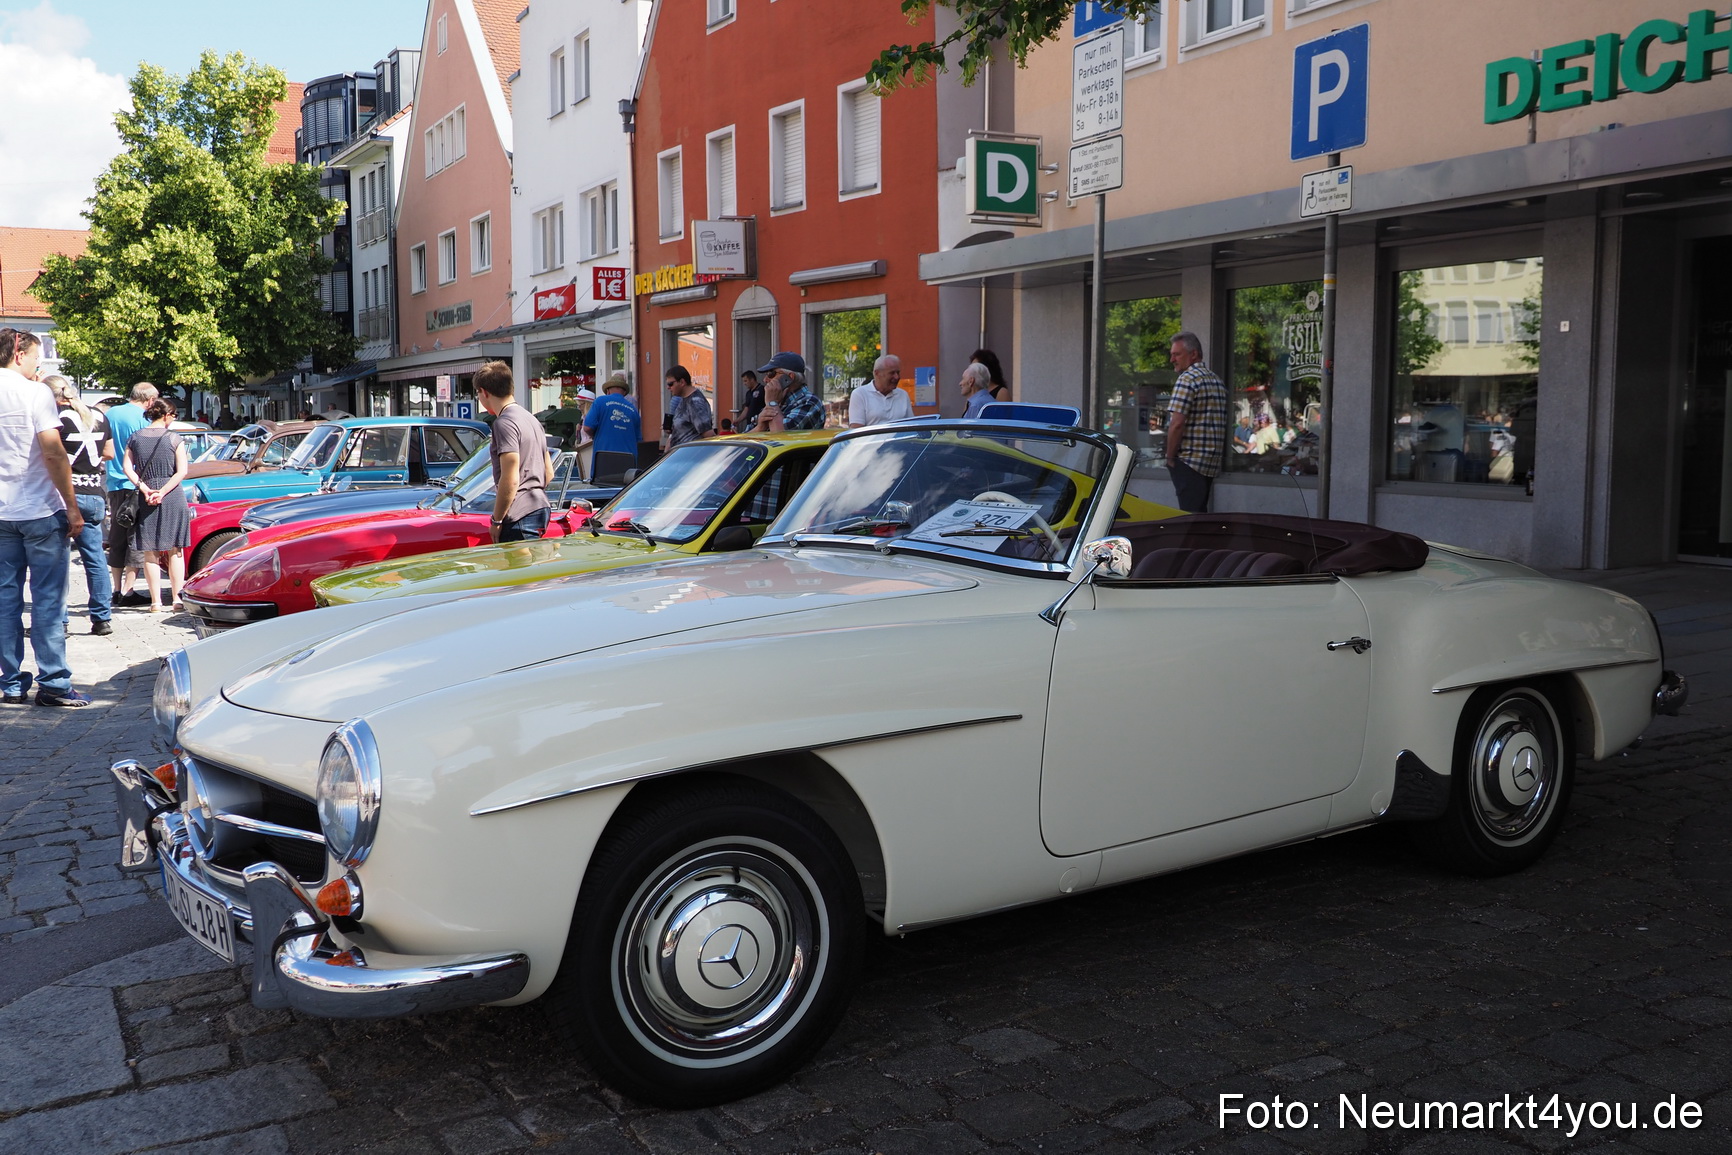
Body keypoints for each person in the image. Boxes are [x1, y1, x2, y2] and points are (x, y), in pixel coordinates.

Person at [0, 328, 89, 707]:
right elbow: (53, 453)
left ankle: (11, 684)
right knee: (49, 599)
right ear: (19, 353)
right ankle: (53, 682)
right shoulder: (35, 392)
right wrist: (71, 505)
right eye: (37, 358)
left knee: (5, 600)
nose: (40, 366)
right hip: (39, 508)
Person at [49, 375, 113, 635]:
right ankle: (102, 619)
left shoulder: (56, 419)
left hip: (65, 496)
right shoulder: (98, 415)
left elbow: (50, 455)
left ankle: (61, 621)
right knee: (95, 559)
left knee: (58, 559)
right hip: (95, 493)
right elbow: (108, 453)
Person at [123, 398, 192, 612]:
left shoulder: (135, 438)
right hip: (171, 494)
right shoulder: (173, 438)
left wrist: (145, 489)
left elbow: (127, 468)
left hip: (147, 495)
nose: (173, 419)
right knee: (175, 550)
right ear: (166, 415)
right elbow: (182, 471)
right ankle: (177, 599)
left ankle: (155, 602)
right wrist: (162, 491)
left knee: (150, 552)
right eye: (173, 415)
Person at [475, 361, 553, 543]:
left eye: (478, 394)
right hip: (540, 506)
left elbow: (510, 478)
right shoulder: (531, 419)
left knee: (518, 568)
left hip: (519, 514)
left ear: (484, 392)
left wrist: (496, 520)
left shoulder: (503, 423)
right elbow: (548, 473)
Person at [1164, 330, 1228, 513]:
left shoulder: (1187, 380)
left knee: (1189, 518)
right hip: (1210, 463)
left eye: (1176, 354)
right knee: (1200, 515)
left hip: (1189, 461)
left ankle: (1193, 543)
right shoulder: (1216, 381)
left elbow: (1177, 423)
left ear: (1193, 354)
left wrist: (1169, 457)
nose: (1172, 360)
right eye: (1171, 354)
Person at [104, 381, 156, 605]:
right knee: (136, 537)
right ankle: (128, 590)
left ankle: (116, 588)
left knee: (117, 536)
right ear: (150, 400)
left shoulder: (111, 412)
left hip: (113, 483)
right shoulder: (142, 419)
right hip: (135, 483)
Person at [750, 352, 824, 432]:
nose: (765, 380)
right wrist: (760, 427)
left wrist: (772, 402)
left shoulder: (809, 403)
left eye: (771, 373)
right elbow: (744, 439)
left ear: (789, 377)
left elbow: (780, 438)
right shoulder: (779, 401)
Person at [583, 373, 642, 473]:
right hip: (628, 465)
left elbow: (587, 428)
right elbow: (638, 440)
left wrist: (596, 436)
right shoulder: (633, 410)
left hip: (604, 461)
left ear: (608, 391)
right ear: (624, 392)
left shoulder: (600, 402)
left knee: (603, 487)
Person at [848, 354, 913, 428]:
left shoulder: (903, 395)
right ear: (877, 373)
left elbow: (910, 426)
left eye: (898, 373)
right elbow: (856, 430)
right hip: (872, 440)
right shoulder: (860, 394)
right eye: (892, 373)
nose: (897, 377)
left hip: (899, 440)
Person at [665, 365, 714, 447]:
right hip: (680, 454)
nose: (668, 387)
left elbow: (709, 435)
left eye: (670, 384)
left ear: (682, 382)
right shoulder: (684, 399)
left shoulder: (695, 402)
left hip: (690, 455)